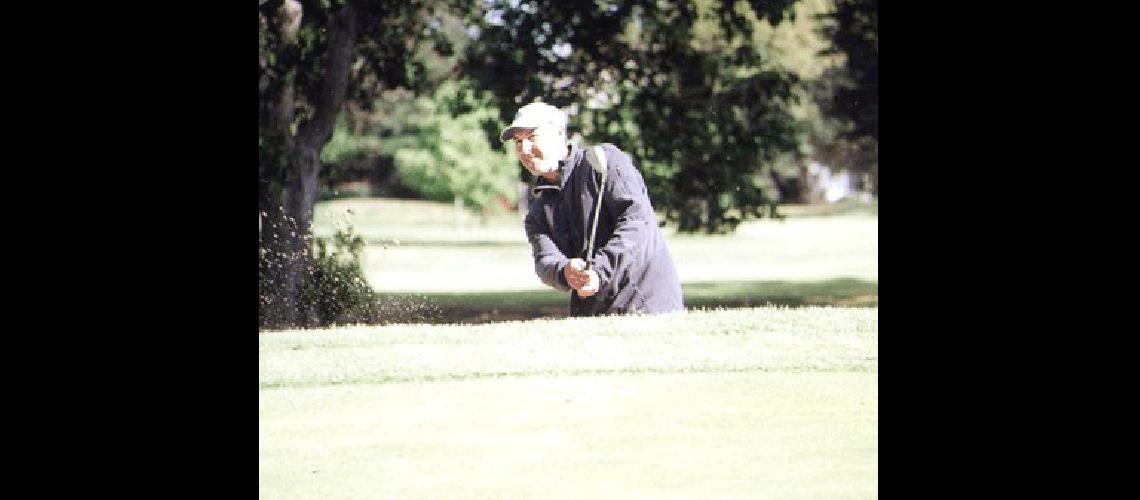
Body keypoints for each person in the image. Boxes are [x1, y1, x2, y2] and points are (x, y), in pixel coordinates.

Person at [500, 102, 684, 316]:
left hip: (648, 304)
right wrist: (565, 272)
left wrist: (599, 270)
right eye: (518, 142)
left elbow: (636, 222)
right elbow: (545, 260)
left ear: (559, 134)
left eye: (532, 138)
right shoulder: (538, 206)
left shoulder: (605, 162)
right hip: (593, 315)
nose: (524, 150)